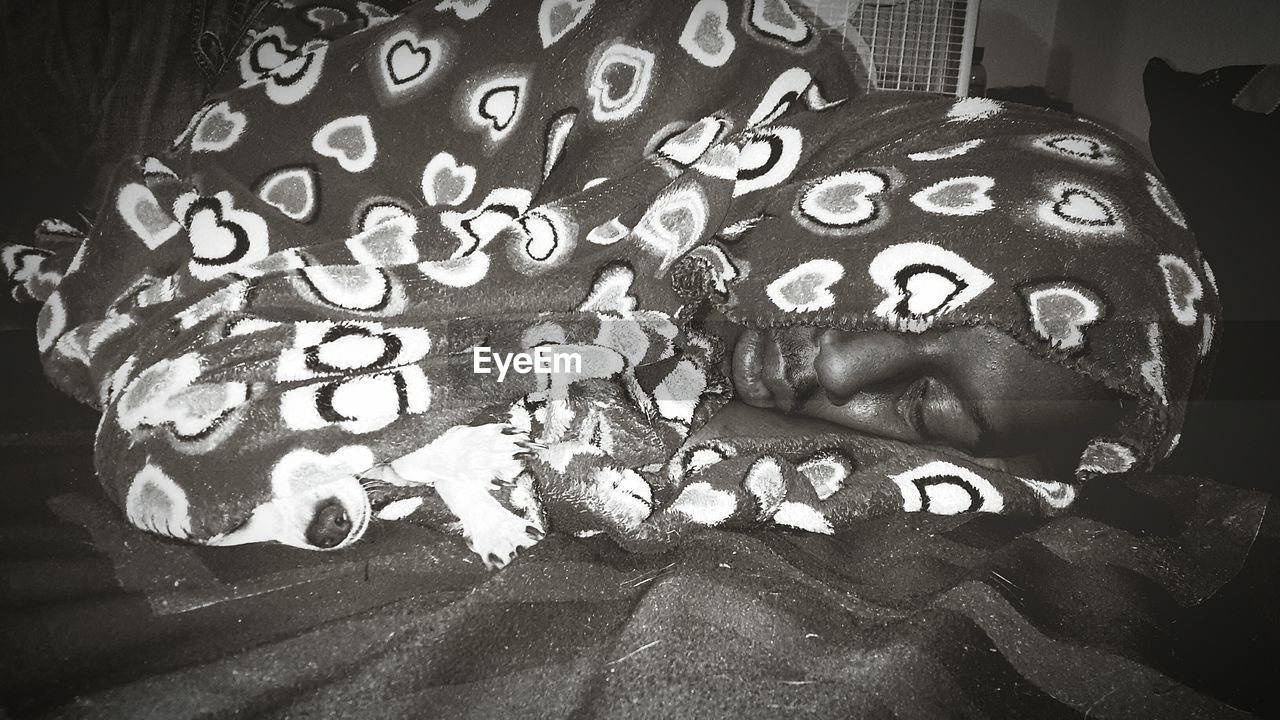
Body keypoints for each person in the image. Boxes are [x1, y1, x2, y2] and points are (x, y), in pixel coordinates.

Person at [1, 0, 1216, 565]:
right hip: (220, 91)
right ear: (913, 211)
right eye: (915, 315)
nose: (845, 371)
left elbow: (520, 358)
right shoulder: (733, 63)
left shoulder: (655, 348)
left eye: (921, 411)